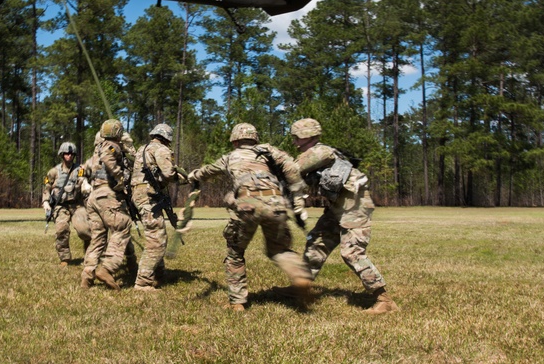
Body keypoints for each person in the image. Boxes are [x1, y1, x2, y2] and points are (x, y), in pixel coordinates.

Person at [188, 123, 313, 311]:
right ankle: (300, 276)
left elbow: (207, 171)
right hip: (276, 202)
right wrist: (297, 197)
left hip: (248, 204)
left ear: (235, 141)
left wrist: (193, 175)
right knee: (280, 249)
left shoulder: (230, 156)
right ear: (255, 138)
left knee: (235, 252)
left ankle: (238, 302)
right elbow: (292, 168)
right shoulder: (268, 151)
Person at [290, 118, 399, 314]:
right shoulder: (316, 153)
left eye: (297, 138)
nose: (295, 142)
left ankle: (384, 300)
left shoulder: (319, 152)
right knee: (317, 242)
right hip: (338, 207)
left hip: (354, 207)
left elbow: (290, 171)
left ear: (309, 136)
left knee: (352, 252)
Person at [130, 123, 186, 291]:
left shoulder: (142, 149)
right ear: (167, 138)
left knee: (155, 233)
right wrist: (183, 177)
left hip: (139, 195)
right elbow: (169, 173)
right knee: (157, 239)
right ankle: (143, 282)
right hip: (149, 196)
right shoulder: (161, 150)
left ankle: (160, 274)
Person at [80, 119, 135, 290]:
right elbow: (109, 157)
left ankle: (87, 275)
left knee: (98, 238)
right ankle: (108, 267)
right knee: (123, 226)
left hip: (94, 197)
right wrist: (120, 177)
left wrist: (83, 182)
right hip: (107, 194)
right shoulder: (111, 146)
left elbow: (84, 167)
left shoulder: (96, 151)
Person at [43, 142, 90, 266]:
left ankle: (89, 254)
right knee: (61, 229)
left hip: (77, 205)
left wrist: (85, 183)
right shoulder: (54, 172)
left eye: (71, 154)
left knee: (85, 230)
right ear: (62, 155)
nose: (69, 156)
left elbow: (84, 179)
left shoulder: (79, 170)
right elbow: (46, 188)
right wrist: (46, 202)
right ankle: (65, 258)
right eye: (66, 153)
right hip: (61, 205)